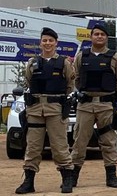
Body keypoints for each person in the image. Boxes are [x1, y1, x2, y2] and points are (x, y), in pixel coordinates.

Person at [15, 27, 75, 194]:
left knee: (60, 145)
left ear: (56, 43)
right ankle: (28, 182)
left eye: (51, 40)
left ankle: (67, 179)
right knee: (33, 146)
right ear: (40, 43)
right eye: (44, 40)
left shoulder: (64, 63)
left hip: (55, 109)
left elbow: (70, 85)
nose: (47, 43)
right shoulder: (32, 63)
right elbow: (28, 81)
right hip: (35, 110)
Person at [70, 23, 117, 188]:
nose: (99, 36)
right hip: (85, 105)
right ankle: (72, 177)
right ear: (91, 37)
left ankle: (111, 177)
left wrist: (111, 96)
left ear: (106, 37)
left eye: (102, 34)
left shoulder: (115, 57)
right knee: (80, 141)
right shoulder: (82, 56)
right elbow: (76, 78)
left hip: (106, 104)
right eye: (96, 34)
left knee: (108, 140)